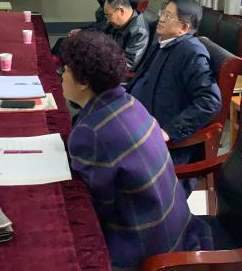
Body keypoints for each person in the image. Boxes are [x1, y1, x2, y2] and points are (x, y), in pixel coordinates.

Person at [61, 31, 211, 269]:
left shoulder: (90, 132)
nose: (62, 75)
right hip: (174, 228)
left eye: (66, 70)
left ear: (84, 82)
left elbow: (97, 209)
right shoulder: (131, 102)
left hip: (145, 247)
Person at [129, 0, 221, 188]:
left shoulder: (192, 52)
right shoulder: (164, 43)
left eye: (168, 16)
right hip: (137, 119)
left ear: (184, 28)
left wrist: (169, 132)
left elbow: (209, 101)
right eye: (163, 12)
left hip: (159, 139)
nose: (161, 18)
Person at [103, 0, 150, 72]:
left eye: (109, 16)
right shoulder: (118, 23)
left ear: (121, 11)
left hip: (114, 72)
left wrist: (101, 62)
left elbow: (127, 64)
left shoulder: (139, 32)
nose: (108, 20)